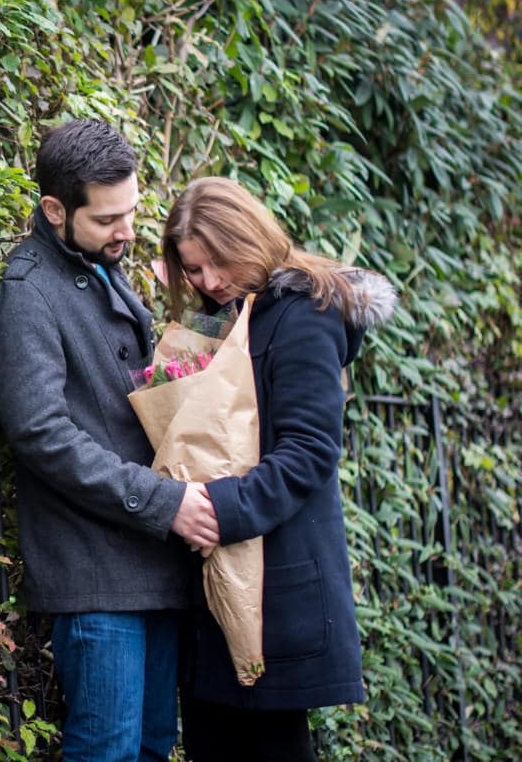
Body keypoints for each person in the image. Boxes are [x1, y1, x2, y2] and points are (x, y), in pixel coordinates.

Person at [0, 119, 219, 762]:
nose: (127, 231)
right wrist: (163, 502)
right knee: (107, 750)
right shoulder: (23, 292)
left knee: (153, 746)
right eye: (108, 219)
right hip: (95, 572)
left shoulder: (102, 270)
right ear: (55, 210)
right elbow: (41, 432)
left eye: (131, 212)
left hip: (152, 562)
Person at [160, 177, 397, 762]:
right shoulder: (221, 320)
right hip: (216, 585)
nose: (207, 281)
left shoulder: (304, 316)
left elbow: (310, 451)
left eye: (216, 262)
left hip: (276, 589)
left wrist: (215, 510)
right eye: (192, 269)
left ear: (249, 238)